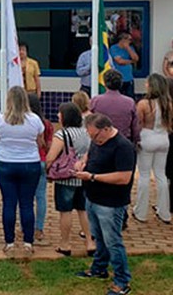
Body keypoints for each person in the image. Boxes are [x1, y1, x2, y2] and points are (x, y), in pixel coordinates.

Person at [74, 113, 134, 295]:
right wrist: (83, 162)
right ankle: (99, 268)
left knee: (113, 241)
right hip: (93, 198)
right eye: (90, 136)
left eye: (95, 136)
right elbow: (89, 153)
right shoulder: (96, 140)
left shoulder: (123, 147)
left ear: (106, 129)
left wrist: (92, 177)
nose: (93, 140)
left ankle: (122, 281)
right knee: (99, 237)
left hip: (111, 202)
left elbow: (124, 177)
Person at [0, 86, 44, 258]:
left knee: (8, 202)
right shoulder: (35, 119)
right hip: (30, 163)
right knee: (27, 203)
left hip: (5, 162)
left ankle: (9, 242)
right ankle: (28, 242)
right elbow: (40, 141)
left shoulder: (0, 119)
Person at [46, 102, 95, 256]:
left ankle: (65, 244)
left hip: (65, 177)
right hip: (83, 175)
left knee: (65, 211)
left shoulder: (62, 134)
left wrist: (48, 169)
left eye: (60, 113)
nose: (57, 115)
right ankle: (89, 241)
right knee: (83, 210)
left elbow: (51, 157)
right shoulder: (85, 132)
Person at [133, 73, 172, 223]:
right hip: (163, 138)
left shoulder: (144, 103)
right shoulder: (168, 103)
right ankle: (164, 212)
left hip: (147, 138)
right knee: (161, 176)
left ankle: (141, 212)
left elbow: (138, 123)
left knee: (144, 176)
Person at [90, 69, 140, 144]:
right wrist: (136, 140)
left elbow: (89, 122)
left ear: (105, 83)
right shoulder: (130, 102)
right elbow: (135, 127)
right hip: (124, 141)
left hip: (101, 142)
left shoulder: (96, 101)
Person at [28, 94, 52, 242]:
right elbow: (48, 145)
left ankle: (27, 228)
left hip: (28, 161)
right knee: (41, 196)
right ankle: (39, 228)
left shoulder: (23, 122)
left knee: (26, 197)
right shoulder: (47, 124)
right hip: (42, 160)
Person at [110, 33, 139, 99]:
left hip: (129, 78)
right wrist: (131, 61)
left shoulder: (130, 48)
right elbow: (119, 61)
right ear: (123, 40)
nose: (130, 41)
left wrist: (128, 48)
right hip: (118, 78)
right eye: (129, 40)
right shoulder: (114, 48)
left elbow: (136, 58)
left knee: (130, 97)